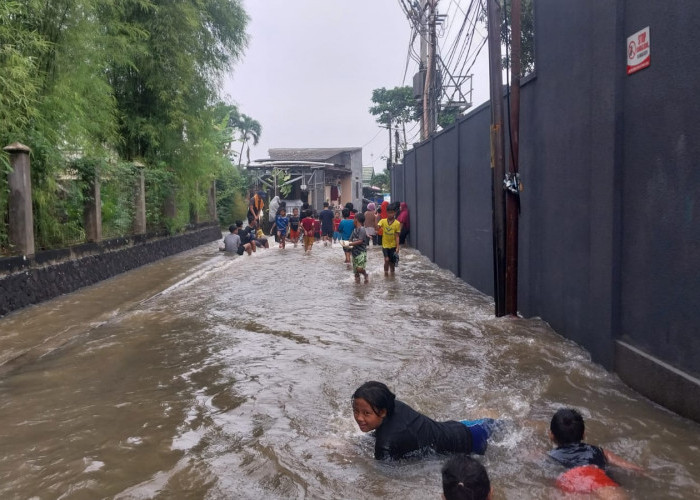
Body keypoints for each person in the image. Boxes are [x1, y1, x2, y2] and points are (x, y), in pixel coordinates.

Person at [351, 381, 501, 460]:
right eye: (356, 411)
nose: (359, 418)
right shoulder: (394, 405)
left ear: (383, 411)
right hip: (457, 427)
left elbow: (385, 475)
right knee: (499, 424)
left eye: (366, 413)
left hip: (472, 441)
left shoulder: (386, 444)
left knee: (514, 432)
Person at [548, 408, 644, 495]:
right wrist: (644, 472)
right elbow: (629, 466)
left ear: (551, 435)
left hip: (573, 479)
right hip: (598, 478)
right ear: (584, 434)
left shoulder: (551, 456)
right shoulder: (598, 451)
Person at [376, 204, 401, 275]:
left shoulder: (397, 223)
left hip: (393, 246)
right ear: (386, 213)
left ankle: (392, 277)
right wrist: (376, 219)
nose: (390, 214)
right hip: (385, 245)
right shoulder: (383, 221)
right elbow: (377, 227)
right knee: (386, 260)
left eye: (392, 213)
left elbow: (397, 236)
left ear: (395, 213)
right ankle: (386, 274)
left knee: (392, 264)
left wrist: (398, 247)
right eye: (389, 213)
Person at [347, 213, 368, 283]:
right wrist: (346, 243)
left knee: (359, 269)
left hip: (361, 253)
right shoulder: (354, 230)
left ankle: (365, 274)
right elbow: (350, 240)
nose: (353, 220)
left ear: (356, 220)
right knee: (356, 272)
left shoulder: (362, 229)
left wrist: (350, 243)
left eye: (354, 219)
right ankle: (357, 288)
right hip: (354, 253)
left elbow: (360, 241)